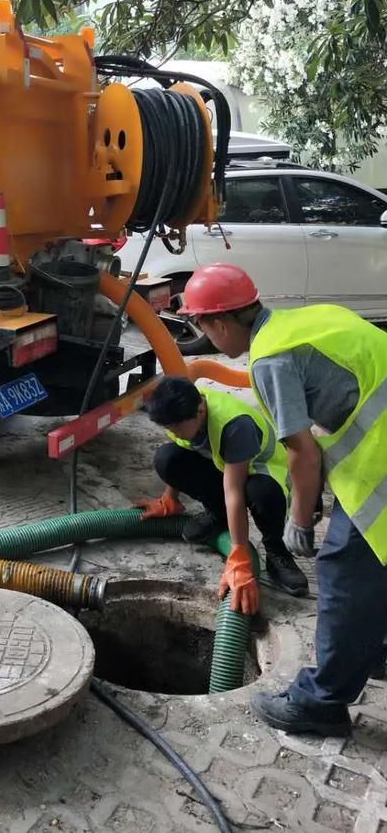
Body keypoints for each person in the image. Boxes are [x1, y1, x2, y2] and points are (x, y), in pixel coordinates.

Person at [179, 262, 387, 736]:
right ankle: (374, 647)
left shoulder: (268, 359)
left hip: (381, 460)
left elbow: (302, 452)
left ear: (220, 323)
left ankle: (320, 704)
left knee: (344, 568)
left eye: (202, 327)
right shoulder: (306, 318)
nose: (208, 340)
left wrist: (300, 520)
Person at [138, 376, 308, 614]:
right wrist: (170, 498)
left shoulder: (235, 426)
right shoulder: (180, 412)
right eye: (169, 428)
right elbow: (182, 448)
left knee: (262, 494)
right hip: (225, 466)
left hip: (262, 471)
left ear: (199, 411)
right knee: (166, 459)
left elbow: (234, 490)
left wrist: (239, 554)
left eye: (176, 427)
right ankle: (217, 515)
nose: (173, 431)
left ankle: (276, 550)